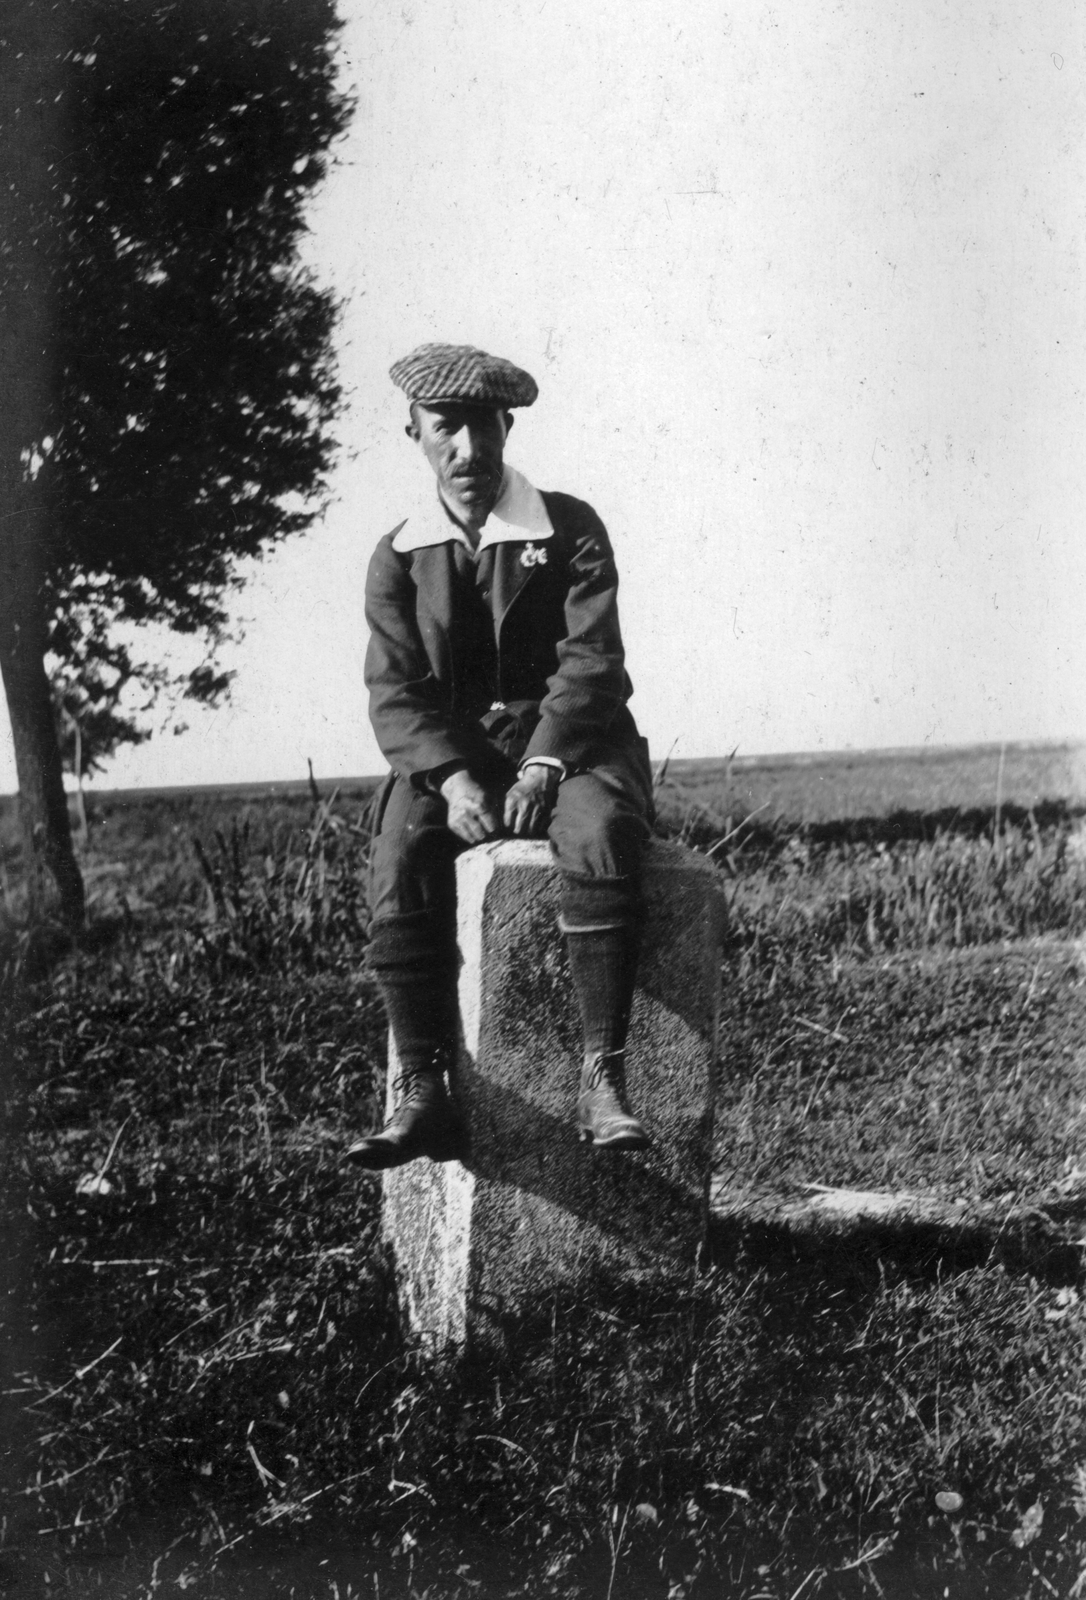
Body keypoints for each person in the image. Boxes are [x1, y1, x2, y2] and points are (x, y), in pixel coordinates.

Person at [345, 342, 654, 1171]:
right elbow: (397, 691)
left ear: (507, 427)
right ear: (415, 432)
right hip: (460, 758)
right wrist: (450, 779)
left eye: (484, 428)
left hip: (576, 746)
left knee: (597, 834)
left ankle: (602, 1079)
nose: (468, 451)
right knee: (402, 851)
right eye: (446, 429)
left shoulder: (571, 527)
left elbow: (593, 659)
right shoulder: (399, 555)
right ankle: (422, 1091)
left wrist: (545, 764)